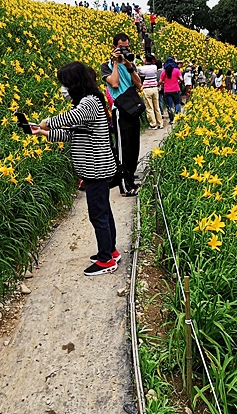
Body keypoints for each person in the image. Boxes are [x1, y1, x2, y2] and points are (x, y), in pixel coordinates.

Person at [32, 62, 120, 276]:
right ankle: (111, 251)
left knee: (98, 214)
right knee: (104, 211)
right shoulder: (85, 103)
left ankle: (106, 259)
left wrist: (47, 121)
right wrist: (41, 132)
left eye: (65, 84)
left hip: (96, 169)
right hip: (93, 169)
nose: (63, 89)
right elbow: (72, 133)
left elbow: (70, 119)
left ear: (75, 84)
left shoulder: (89, 103)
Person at [101, 33, 143, 196]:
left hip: (132, 109)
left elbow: (139, 85)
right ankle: (125, 186)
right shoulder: (106, 66)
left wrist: (129, 66)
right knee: (123, 149)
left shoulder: (131, 64)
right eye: (121, 48)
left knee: (134, 148)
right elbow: (115, 83)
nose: (125, 50)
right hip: (120, 111)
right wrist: (116, 63)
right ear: (114, 48)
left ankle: (130, 178)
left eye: (127, 47)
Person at [137, 53, 163, 129]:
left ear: (145, 60)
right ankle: (160, 123)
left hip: (147, 89)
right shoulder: (154, 67)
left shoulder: (142, 69)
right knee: (156, 107)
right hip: (155, 89)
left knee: (149, 108)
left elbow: (135, 68)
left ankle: (153, 124)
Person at [160, 56, 182, 123]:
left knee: (169, 105)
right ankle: (177, 116)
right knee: (177, 103)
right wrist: (178, 81)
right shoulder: (177, 70)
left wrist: (164, 82)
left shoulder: (164, 72)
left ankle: (172, 119)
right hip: (176, 89)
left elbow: (160, 81)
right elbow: (181, 79)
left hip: (167, 90)